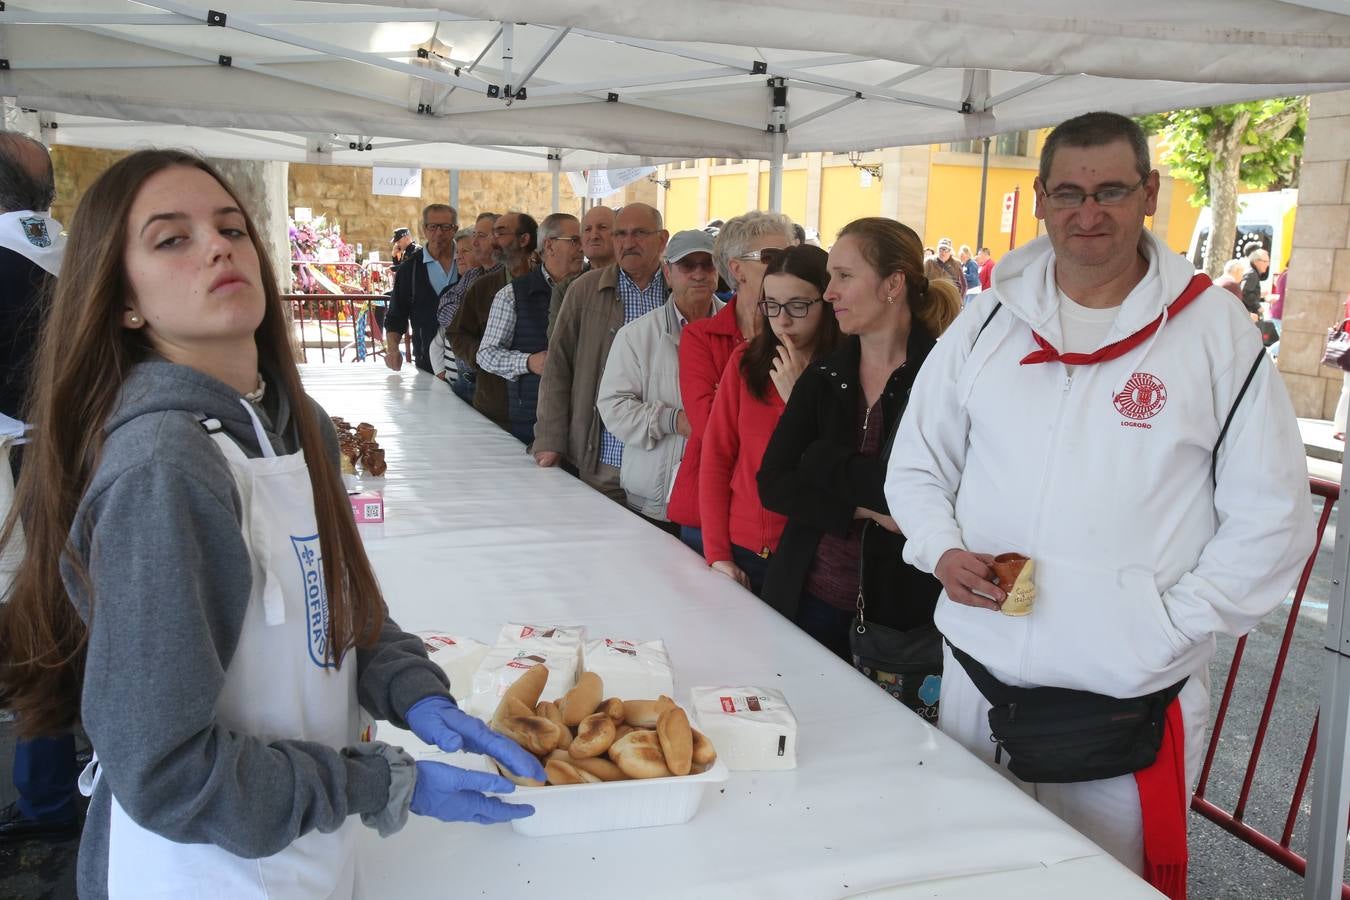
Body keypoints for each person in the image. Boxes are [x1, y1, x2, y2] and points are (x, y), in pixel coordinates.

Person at [0, 150, 546, 898]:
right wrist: (380, 783)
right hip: (205, 871)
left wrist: (413, 692)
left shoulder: (299, 425)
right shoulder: (167, 466)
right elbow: (163, 771)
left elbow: (340, 607)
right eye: (172, 239)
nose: (220, 246)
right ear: (123, 298)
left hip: (304, 848)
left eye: (231, 227)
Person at [885, 112, 1313, 894]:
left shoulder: (1214, 332)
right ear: (1042, 197)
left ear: (1149, 192)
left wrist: (1168, 626)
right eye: (1071, 193)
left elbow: (1274, 516)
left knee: (1099, 887)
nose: (1090, 213)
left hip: (1123, 705)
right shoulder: (986, 321)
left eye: (1112, 190)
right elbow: (918, 464)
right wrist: (938, 548)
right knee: (969, 876)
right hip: (979, 679)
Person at [758, 218, 959, 669]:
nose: (829, 293)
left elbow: (939, 493)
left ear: (893, 284)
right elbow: (773, 484)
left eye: (844, 277)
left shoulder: (943, 379)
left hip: (902, 621)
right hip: (803, 600)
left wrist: (820, 459)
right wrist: (867, 508)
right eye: (830, 278)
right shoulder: (824, 375)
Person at [0, 132, 80, 846]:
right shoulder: (74, 258)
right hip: (78, 461)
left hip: (22, 475)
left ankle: (51, 799)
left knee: (35, 635)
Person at [700, 245, 842, 596]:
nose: (783, 320)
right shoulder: (746, 362)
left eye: (797, 305)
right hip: (746, 549)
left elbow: (839, 465)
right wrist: (717, 552)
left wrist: (800, 400)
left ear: (827, 302)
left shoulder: (846, 370)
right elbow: (717, 455)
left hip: (818, 555)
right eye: (772, 305)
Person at [667, 211, 794, 554]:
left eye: (790, 254)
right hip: (711, 511)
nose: (785, 265)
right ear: (737, 269)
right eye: (771, 257)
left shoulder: (800, 335)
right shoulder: (702, 337)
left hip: (777, 514)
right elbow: (707, 424)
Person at [533, 203, 670, 503]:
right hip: (602, 454)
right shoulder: (584, 290)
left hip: (662, 458)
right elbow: (558, 367)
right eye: (620, 233)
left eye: (639, 233)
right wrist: (549, 438)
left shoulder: (676, 291)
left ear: (662, 240)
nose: (627, 242)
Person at [597, 230, 720, 532]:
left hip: (717, 499)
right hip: (652, 498)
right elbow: (613, 406)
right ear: (668, 273)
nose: (699, 274)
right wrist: (673, 420)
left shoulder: (741, 334)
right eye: (687, 265)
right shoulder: (637, 335)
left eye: (708, 264)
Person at [477, 213, 583, 446]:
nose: (582, 247)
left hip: (584, 422)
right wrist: (527, 362)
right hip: (531, 422)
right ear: (550, 245)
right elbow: (486, 354)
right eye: (574, 240)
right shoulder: (513, 294)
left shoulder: (594, 290)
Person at [447, 211, 536, 429]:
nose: (494, 241)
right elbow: (456, 333)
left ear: (524, 240)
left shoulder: (547, 286)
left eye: (501, 234)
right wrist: (483, 356)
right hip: (494, 407)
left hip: (537, 410)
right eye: (493, 234)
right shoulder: (483, 286)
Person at [384, 204, 458, 374]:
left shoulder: (469, 263)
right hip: (427, 365)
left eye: (445, 227)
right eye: (433, 227)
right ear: (424, 229)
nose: (439, 233)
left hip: (468, 367)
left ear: (455, 229)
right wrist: (393, 350)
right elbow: (396, 316)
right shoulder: (410, 269)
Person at [440, 212, 501, 404]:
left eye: (481, 236)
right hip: (464, 379)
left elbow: (491, 327)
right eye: (474, 236)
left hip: (490, 384)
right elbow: (443, 308)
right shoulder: (472, 275)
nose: (474, 243)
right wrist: (467, 318)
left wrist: (464, 320)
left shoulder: (506, 278)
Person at [548, 205, 615, 341]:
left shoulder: (634, 280)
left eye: (602, 228)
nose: (594, 236)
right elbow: (558, 345)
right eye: (587, 230)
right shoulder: (566, 289)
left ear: (619, 235)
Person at [427, 227, 479, 386]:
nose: (459, 257)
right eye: (458, 252)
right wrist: (441, 373)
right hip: (452, 383)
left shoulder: (488, 290)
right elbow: (438, 340)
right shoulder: (450, 292)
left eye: (466, 251)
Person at [1240, 247, 1269, 316]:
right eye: (1265, 261)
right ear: (1256, 262)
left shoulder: (1253, 272)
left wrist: (1263, 298)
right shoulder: (1252, 274)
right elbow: (1245, 292)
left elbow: (1250, 293)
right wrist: (1257, 307)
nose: (1267, 265)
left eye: (1268, 262)